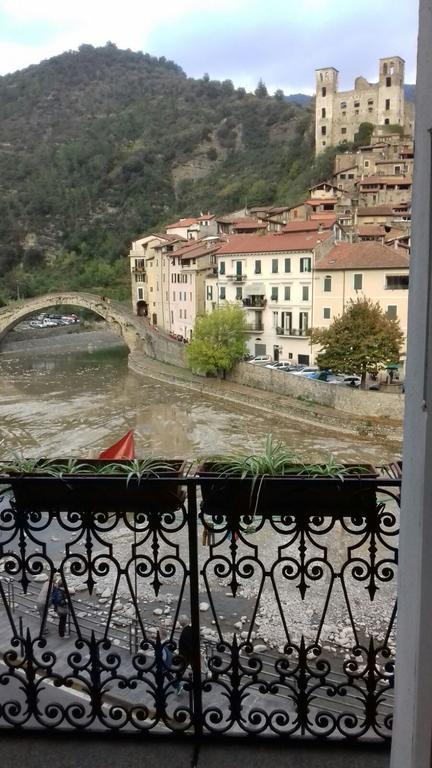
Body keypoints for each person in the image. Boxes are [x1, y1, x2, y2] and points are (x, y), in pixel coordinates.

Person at [176, 614, 194, 696]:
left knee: (180, 672)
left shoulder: (184, 632)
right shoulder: (191, 629)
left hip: (184, 656)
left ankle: (177, 686)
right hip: (192, 655)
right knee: (196, 670)